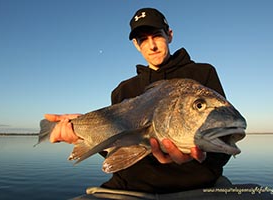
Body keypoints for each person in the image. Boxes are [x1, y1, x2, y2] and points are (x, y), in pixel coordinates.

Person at [45, 8, 230, 194]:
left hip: (195, 187)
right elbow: (118, 147)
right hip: (129, 188)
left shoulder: (202, 74)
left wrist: (202, 157)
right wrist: (80, 133)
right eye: (143, 39)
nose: (152, 46)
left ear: (170, 35)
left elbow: (225, 138)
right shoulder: (123, 90)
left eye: (157, 36)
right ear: (136, 44)